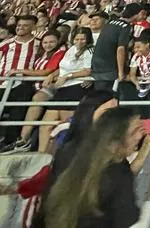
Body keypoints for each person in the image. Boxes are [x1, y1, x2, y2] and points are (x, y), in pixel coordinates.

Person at [43, 107, 150, 228]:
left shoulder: (84, 159)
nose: (139, 136)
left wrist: (147, 145)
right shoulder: (117, 174)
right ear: (118, 135)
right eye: (135, 130)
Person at [1, 30, 66, 154]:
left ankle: (23, 140)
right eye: (45, 42)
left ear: (58, 42)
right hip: (33, 86)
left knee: (36, 99)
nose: (48, 45)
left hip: (49, 87)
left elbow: (46, 71)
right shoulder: (42, 54)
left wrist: (20, 70)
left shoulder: (60, 52)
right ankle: (11, 140)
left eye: (52, 42)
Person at [37, 27, 95, 152]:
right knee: (45, 125)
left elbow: (87, 70)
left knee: (65, 126)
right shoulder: (71, 49)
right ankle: (41, 156)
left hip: (76, 88)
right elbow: (62, 67)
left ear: (88, 39)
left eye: (83, 39)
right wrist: (52, 75)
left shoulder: (90, 51)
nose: (79, 42)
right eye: (77, 39)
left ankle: (64, 156)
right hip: (62, 88)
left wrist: (67, 76)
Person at [0, 15, 39, 147]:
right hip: (3, 82)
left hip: (24, 83)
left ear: (33, 27)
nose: (20, 28)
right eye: (19, 25)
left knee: (18, 111)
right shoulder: (6, 43)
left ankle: (9, 143)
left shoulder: (39, 44)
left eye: (25, 25)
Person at [92, 3, 144, 92]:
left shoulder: (110, 23)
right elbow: (120, 49)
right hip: (109, 68)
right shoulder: (125, 27)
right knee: (109, 98)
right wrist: (121, 72)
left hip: (97, 64)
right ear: (137, 13)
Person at [121, 31, 150, 120]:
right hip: (144, 83)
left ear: (147, 45)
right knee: (140, 106)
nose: (136, 50)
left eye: (138, 47)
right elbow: (132, 74)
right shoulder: (135, 56)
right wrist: (137, 84)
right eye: (135, 48)